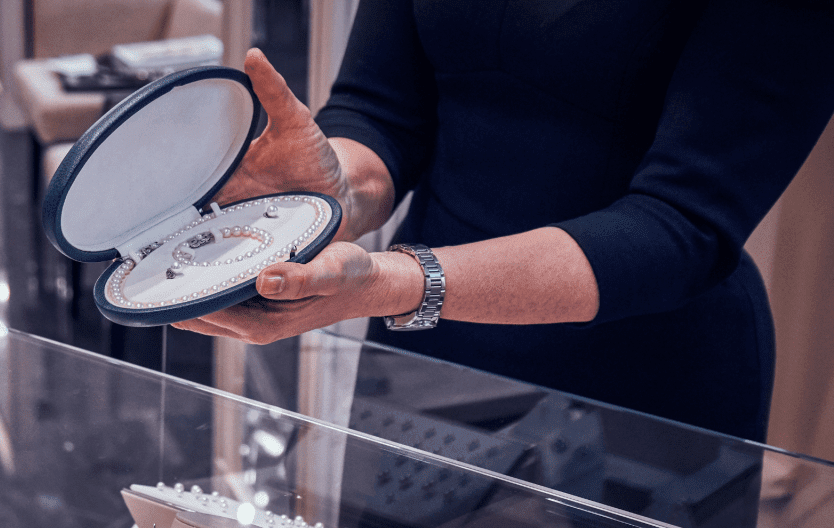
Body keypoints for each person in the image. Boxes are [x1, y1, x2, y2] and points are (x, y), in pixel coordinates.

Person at [173, 0, 834, 441]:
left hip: (639, 387)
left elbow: (681, 226)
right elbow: (382, 109)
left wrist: (397, 283)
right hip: (426, 356)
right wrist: (330, 193)